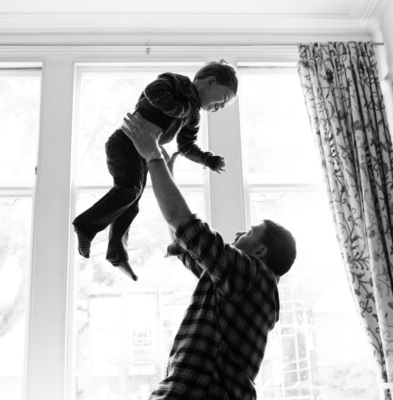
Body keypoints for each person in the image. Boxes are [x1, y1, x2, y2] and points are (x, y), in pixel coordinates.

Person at [121, 112, 297, 399]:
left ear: (260, 251)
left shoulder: (251, 274)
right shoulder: (237, 283)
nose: (240, 233)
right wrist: (165, 172)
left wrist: (152, 155)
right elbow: (183, 239)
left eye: (249, 232)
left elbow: (184, 222)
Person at [72, 60, 239, 281]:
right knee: (128, 192)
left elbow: (186, 146)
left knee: (131, 204)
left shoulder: (194, 115)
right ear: (210, 82)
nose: (219, 108)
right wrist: (181, 109)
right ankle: (85, 225)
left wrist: (208, 160)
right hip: (124, 143)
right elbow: (152, 92)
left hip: (140, 153)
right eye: (223, 100)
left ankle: (117, 254)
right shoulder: (178, 83)